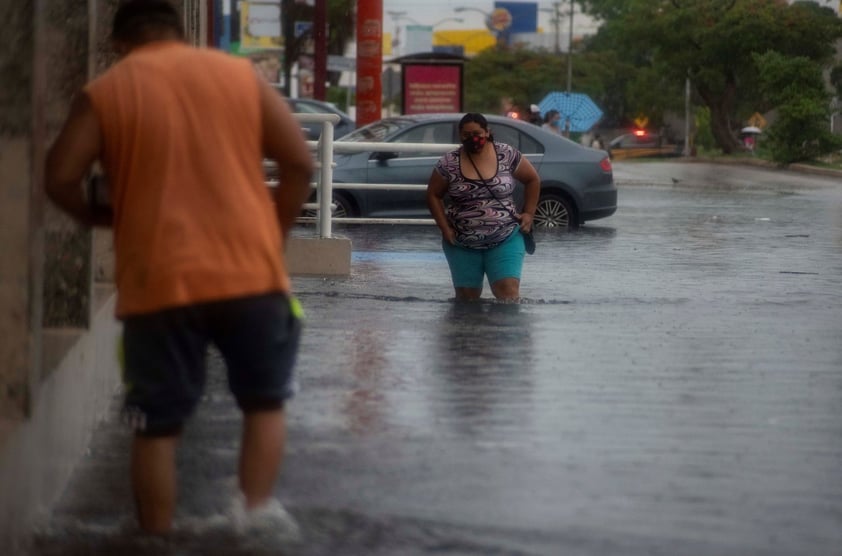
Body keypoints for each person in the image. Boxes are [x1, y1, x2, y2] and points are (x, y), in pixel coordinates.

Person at [44, 0, 314, 535]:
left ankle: (156, 540)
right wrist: (271, 233)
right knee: (264, 405)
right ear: (178, 34)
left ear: (117, 42)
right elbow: (299, 163)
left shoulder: (109, 90)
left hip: (159, 281)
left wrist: (102, 218)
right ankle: (253, 521)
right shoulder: (240, 75)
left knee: (157, 427)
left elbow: (59, 178)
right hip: (251, 276)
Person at [426, 113, 541, 301]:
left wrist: (529, 213)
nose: (473, 139)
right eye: (467, 135)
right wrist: (445, 229)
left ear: (488, 132)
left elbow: (533, 179)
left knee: (508, 296)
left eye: (477, 133)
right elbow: (433, 194)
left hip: (506, 237)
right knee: (466, 300)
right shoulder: (449, 163)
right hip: (462, 243)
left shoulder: (506, 154)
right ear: (460, 136)